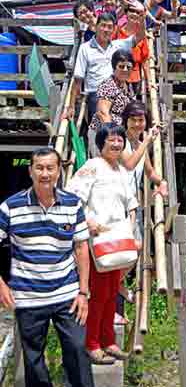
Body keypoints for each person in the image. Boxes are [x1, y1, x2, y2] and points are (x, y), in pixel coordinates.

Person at [0, 147, 93, 387]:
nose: (45, 173)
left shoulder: (72, 204)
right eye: (39, 168)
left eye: (50, 168)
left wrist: (83, 292)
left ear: (59, 171)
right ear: (30, 171)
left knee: (77, 349)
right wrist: (1, 285)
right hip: (28, 296)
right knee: (33, 359)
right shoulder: (10, 206)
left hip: (67, 294)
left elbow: (81, 248)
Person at [67, 123, 138, 364]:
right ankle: (92, 344)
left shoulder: (120, 170)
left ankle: (109, 341)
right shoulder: (91, 167)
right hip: (96, 241)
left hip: (116, 240)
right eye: (111, 139)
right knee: (96, 294)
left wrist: (130, 226)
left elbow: (130, 203)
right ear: (101, 143)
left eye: (120, 139)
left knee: (110, 293)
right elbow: (72, 197)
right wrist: (88, 220)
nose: (117, 144)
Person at [66, 11, 145, 123]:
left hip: (119, 93)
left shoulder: (118, 45)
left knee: (126, 124)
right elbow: (78, 79)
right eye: (103, 25)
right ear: (96, 27)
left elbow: (140, 36)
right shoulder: (85, 48)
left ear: (113, 30)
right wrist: (71, 106)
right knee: (104, 133)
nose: (106, 30)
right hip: (96, 94)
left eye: (110, 27)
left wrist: (142, 19)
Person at [121, 101, 168, 241]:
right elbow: (129, 164)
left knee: (137, 247)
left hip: (133, 204)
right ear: (126, 121)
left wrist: (162, 182)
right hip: (118, 205)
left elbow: (150, 172)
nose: (136, 124)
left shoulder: (141, 145)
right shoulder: (119, 142)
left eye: (140, 120)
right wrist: (148, 141)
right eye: (132, 120)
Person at [88, 49, 136, 157]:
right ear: (114, 67)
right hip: (104, 135)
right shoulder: (109, 85)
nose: (125, 70)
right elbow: (102, 113)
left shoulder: (129, 86)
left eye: (128, 67)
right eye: (121, 66)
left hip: (119, 135)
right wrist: (113, 137)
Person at [115, 7, 150, 95]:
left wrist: (149, 82)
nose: (134, 14)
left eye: (137, 12)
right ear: (126, 13)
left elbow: (145, 61)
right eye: (132, 11)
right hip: (118, 76)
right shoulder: (116, 31)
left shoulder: (141, 37)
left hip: (135, 78)